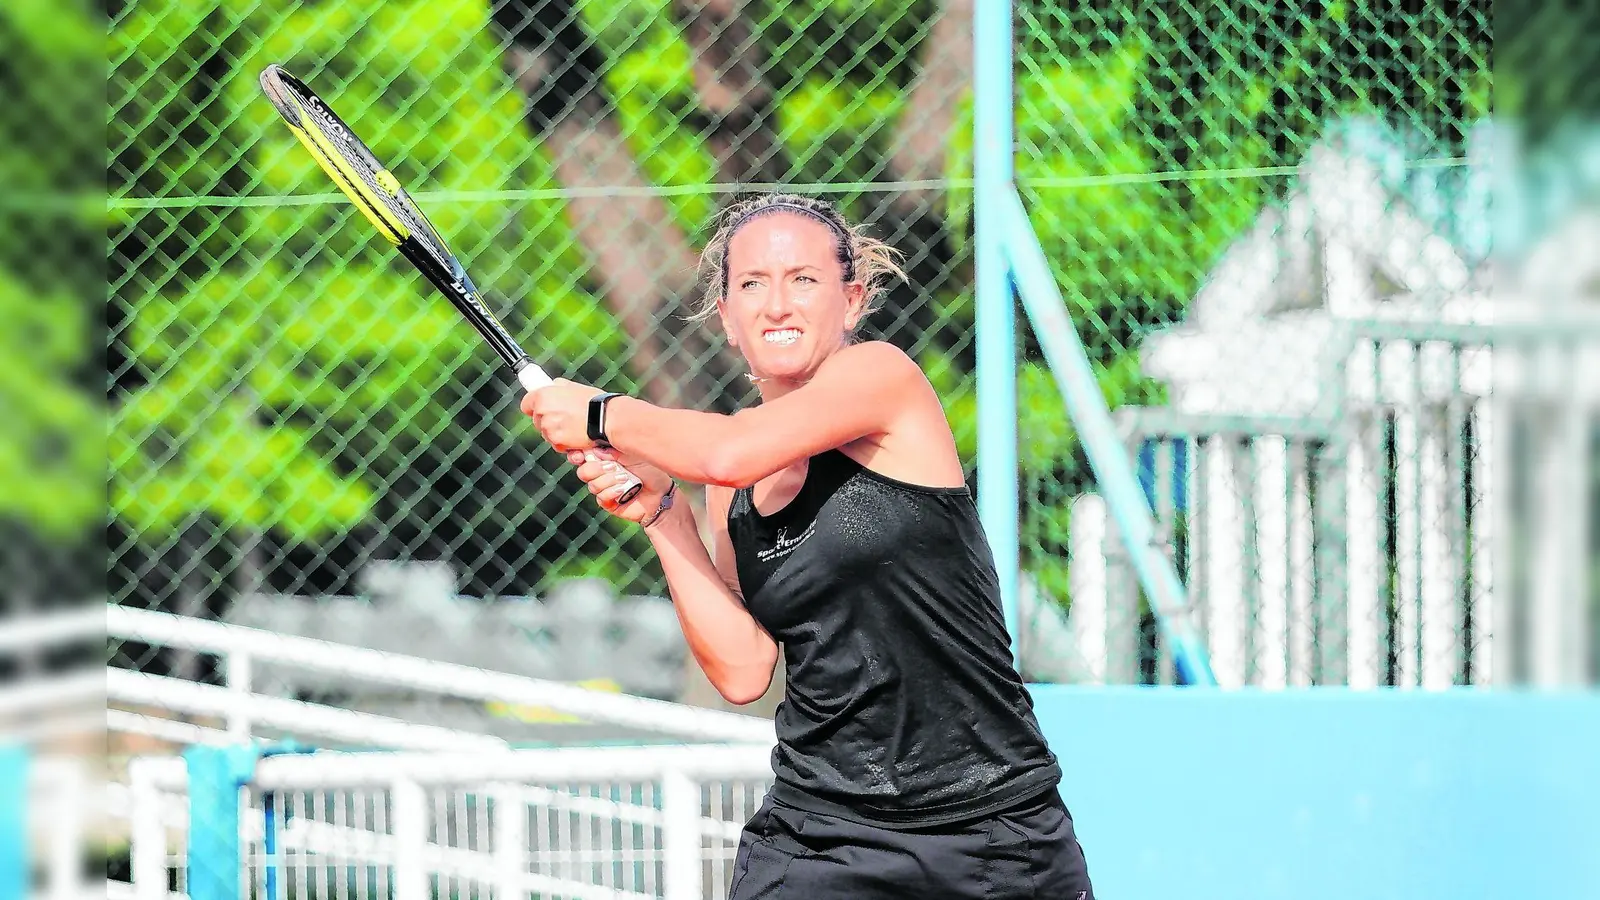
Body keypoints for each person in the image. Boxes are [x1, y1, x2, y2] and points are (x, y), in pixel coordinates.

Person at [522, 193, 1095, 900]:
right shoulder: (730, 486)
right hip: (820, 833)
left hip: (988, 830)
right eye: (752, 285)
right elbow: (743, 671)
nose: (776, 305)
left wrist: (602, 413)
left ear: (851, 301)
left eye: (803, 280)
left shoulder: (882, 377)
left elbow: (728, 450)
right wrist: (663, 513)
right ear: (727, 318)